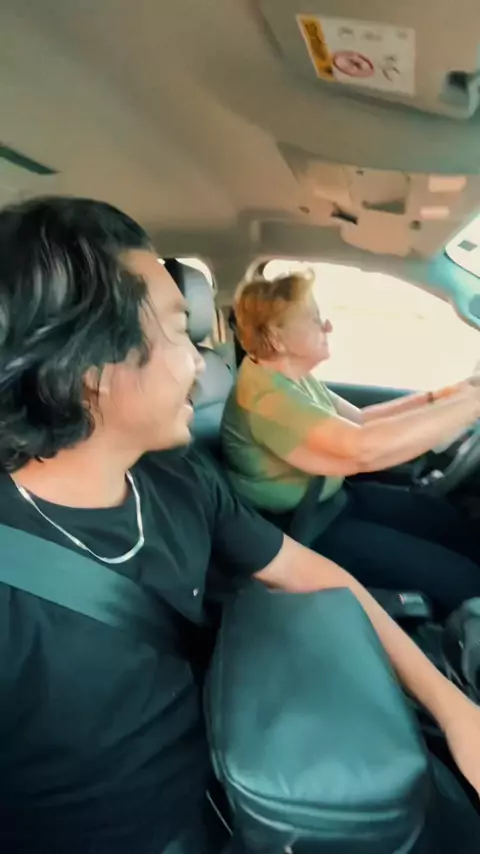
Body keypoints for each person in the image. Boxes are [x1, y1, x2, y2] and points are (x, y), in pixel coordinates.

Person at [1, 198, 480, 854]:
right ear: (88, 368)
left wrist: (455, 712)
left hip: (254, 777)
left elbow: (310, 574)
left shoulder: (175, 478)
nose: (202, 361)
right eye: (179, 332)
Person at [221, 270, 480, 615]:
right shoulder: (266, 399)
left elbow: (359, 420)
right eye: (314, 319)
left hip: (334, 501)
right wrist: (471, 406)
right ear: (276, 338)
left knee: (448, 522)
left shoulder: (289, 378)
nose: (327, 325)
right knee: (462, 580)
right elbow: (361, 448)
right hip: (308, 530)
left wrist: (443, 396)